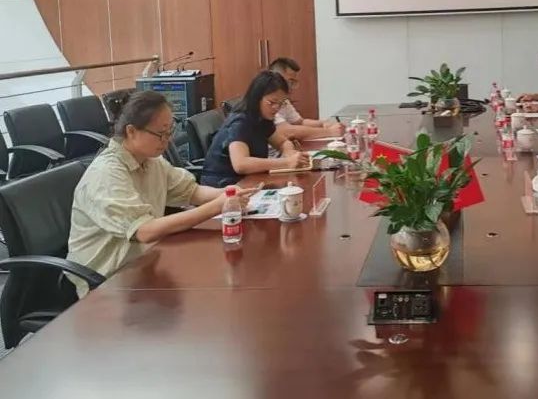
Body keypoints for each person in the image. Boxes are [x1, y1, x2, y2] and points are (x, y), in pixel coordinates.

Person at [66, 91, 255, 297]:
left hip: (144, 263)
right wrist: (217, 206)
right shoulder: (106, 174)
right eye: (160, 133)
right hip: (107, 283)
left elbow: (192, 191)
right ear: (131, 131)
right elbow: (144, 231)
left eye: (169, 131)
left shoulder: (151, 160)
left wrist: (227, 193)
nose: (167, 141)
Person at [201, 71, 310, 187]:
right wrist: (286, 162)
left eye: (281, 103)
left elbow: (282, 142)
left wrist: (289, 153)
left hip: (249, 180)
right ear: (257, 97)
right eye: (272, 102)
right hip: (224, 185)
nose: (276, 108)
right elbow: (241, 164)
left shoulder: (263, 118)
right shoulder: (240, 122)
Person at [268, 57, 344, 140]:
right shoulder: (267, 102)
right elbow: (287, 131)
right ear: (276, 78)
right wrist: (329, 132)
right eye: (290, 81)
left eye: (293, 82)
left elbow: (299, 122)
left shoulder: (284, 100)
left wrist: (324, 123)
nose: (291, 87)